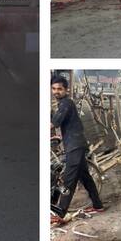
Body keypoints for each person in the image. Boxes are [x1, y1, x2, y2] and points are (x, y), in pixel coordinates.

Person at [50, 75, 104, 224]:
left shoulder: (66, 103)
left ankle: (60, 213)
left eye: (59, 89)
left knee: (69, 179)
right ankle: (98, 205)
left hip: (75, 146)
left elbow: (54, 123)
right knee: (85, 177)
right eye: (54, 88)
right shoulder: (64, 103)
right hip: (75, 144)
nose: (56, 91)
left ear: (66, 90)